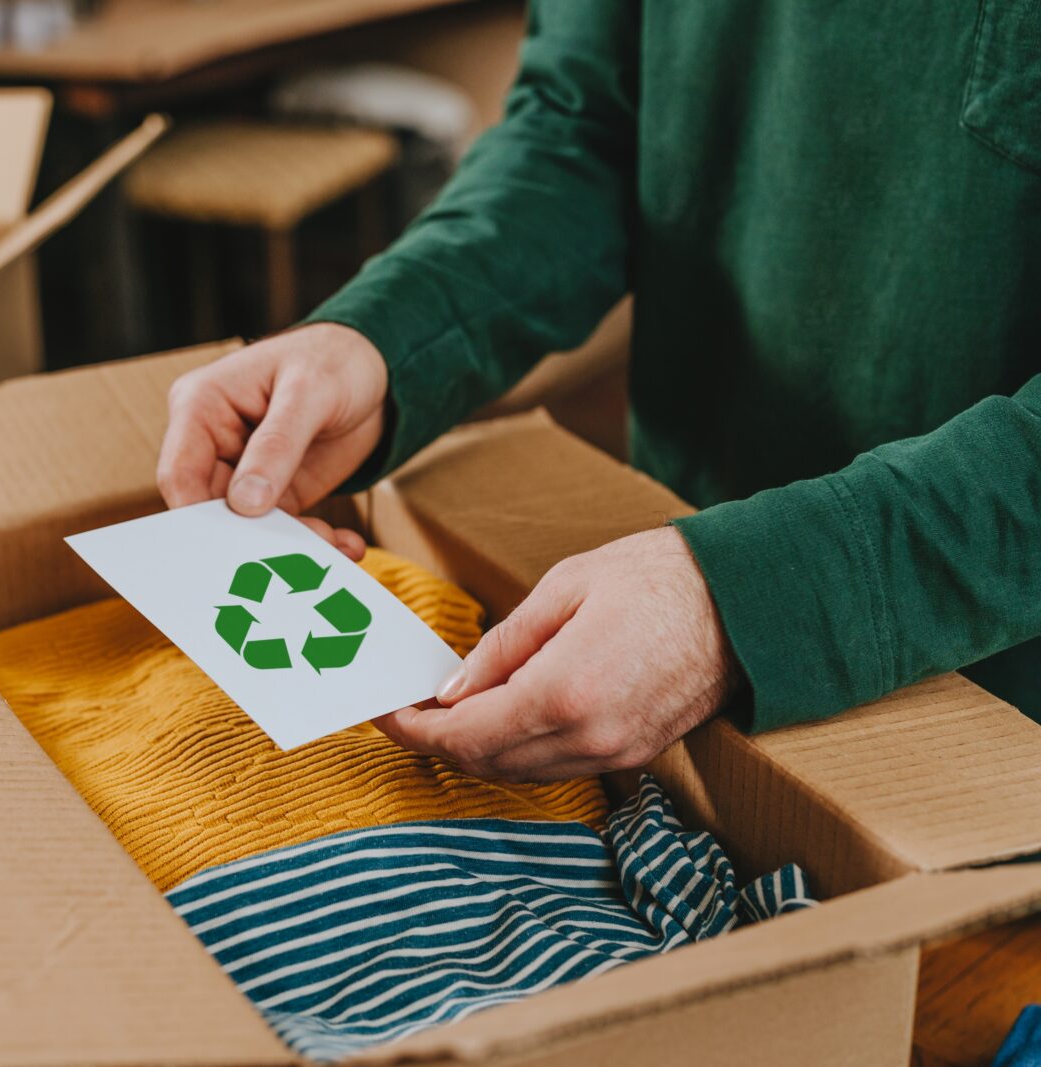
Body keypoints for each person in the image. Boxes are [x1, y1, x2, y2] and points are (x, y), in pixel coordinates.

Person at [156, 0, 1041, 781]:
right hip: (661, 559)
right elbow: (582, 128)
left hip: (1000, 711)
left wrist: (749, 601)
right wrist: (384, 337)